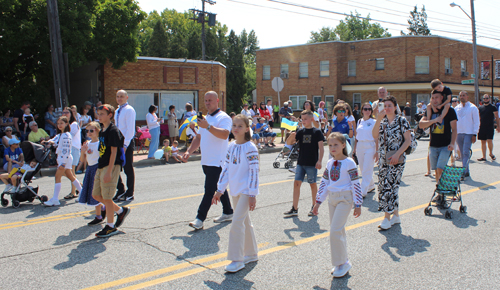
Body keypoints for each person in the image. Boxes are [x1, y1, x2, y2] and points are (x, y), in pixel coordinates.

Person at [212, 114, 259, 273]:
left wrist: (252, 194)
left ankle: (237, 259)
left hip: (246, 191)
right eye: (234, 126)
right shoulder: (231, 146)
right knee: (244, 221)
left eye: (240, 126)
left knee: (236, 223)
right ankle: (251, 253)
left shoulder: (251, 147)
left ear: (247, 129)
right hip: (235, 190)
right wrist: (220, 189)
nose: (236, 129)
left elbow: (254, 172)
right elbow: (226, 168)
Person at [312, 133, 363, 278]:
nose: (333, 148)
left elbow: (355, 184)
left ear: (343, 145)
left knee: (334, 231)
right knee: (338, 231)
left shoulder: (349, 162)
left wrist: (358, 203)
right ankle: (342, 262)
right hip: (332, 200)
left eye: (336, 144)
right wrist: (318, 202)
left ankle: (342, 263)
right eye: (330, 145)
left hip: (345, 199)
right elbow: (324, 184)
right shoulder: (329, 163)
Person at [183, 91, 234, 230]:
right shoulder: (204, 119)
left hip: (217, 161)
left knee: (209, 190)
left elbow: (225, 135)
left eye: (210, 100)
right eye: (205, 100)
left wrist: (208, 126)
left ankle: (199, 219)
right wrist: (189, 151)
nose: (207, 103)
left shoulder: (224, 117)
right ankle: (228, 211)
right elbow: (198, 138)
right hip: (206, 160)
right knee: (218, 186)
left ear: (217, 100)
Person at [372, 96, 411, 230]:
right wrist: (378, 119)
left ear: (395, 107)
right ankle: (396, 216)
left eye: (389, 105)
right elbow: (374, 135)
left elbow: (408, 141)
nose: (387, 108)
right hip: (384, 159)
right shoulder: (382, 121)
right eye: (384, 106)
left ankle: (386, 218)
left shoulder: (402, 121)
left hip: (397, 159)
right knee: (386, 186)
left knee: (389, 186)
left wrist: (397, 154)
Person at [92, 104, 130, 238]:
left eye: (102, 114)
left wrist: (109, 171)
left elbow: (114, 152)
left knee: (107, 198)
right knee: (96, 195)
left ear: (110, 115)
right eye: (98, 113)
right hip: (101, 165)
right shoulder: (102, 130)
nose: (99, 116)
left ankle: (110, 226)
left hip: (111, 166)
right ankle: (120, 211)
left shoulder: (113, 131)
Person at [284, 110, 325, 217]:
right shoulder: (300, 132)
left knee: (312, 184)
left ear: (311, 119)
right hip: (301, 163)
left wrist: (319, 160)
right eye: (302, 119)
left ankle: (314, 207)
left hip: (312, 163)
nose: (303, 121)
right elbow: (288, 144)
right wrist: (291, 136)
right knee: (296, 183)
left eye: (305, 119)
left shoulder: (317, 132)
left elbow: (321, 148)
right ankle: (294, 208)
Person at [41, 116, 83, 207]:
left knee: (57, 176)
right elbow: (54, 140)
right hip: (64, 158)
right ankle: (83, 193)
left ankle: (55, 199)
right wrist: (46, 142)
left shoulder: (66, 135)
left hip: (64, 158)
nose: (59, 125)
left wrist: (63, 163)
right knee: (70, 176)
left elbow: (66, 149)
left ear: (66, 124)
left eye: (61, 123)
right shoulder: (61, 135)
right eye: (58, 123)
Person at [419, 92, 458, 183]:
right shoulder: (430, 110)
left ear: (442, 98)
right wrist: (434, 120)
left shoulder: (450, 110)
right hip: (433, 145)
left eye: (437, 97)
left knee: (440, 168)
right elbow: (421, 124)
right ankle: (440, 190)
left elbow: (455, 129)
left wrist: (452, 143)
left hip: (446, 145)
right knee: (436, 170)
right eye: (432, 98)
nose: (434, 100)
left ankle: (444, 189)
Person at [77, 121, 106, 225]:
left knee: (96, 192)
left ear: (97, 131)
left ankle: (100, 214)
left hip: (97, 169)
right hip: (90, 169)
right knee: (92, 192)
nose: (89, 133)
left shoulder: (100, 143)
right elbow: (82, 160)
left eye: (91, 130)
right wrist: (82, 151)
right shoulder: (87, 143)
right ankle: (102, 209)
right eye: (87, 131)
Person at [114, 90, 136, 202]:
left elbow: (130, 130)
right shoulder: (117, 110)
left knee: (128, 168)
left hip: (126, 142)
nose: (119, 98)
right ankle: (121, 189)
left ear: (126, 97)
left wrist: (125, 145)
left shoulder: (129, 110)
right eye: (118, 96)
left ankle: (130, 192)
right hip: (117, 142)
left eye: (122, 96)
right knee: (115, 167)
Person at [353, 103, 377, 197]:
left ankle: (362, 191)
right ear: (362, 110)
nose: (367, 111)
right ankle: (371, 185)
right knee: (363, 169)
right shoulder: (359, 121)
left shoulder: (374, 122)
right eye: (365, 109)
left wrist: (377, 151)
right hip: (360, 146)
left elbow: (377, 137)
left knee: (367, 169)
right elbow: (357, 136)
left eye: (369, 109)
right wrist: (354, 148)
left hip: (370, 146)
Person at [454, 91, 480, 179]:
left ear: (467, 97)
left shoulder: (473, 108)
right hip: (459, 133)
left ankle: (463, 171)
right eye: (460, 96)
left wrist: (475, 134)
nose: (462, 97)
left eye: (463, 95)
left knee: (465, 152)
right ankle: (466, 170)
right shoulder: (457, 108)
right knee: (462, 153)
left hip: (469, 133)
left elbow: (476, 122)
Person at [63, 107, 82, 200]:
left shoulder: (74, 124)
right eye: (64, 112)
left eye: (67, 112)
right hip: (68, 149)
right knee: (67, 172)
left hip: (74, 148)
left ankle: (73, 192)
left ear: (71, 114)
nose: (65, 114)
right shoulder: (64, 125)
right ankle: (79, 186)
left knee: (71, 171)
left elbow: (69, 136)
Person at [477, 94, 500, 161]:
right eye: (484, 98)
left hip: (490, 127)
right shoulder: (480, 108)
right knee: (483, 141)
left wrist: (498, 126)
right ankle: (484, 156)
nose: (485, 99)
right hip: (482, 127)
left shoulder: (493, 107)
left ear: (489, 99)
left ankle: (491, 153)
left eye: (487, 98)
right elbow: (478, 118)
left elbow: (497, 117)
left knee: (489, 140)